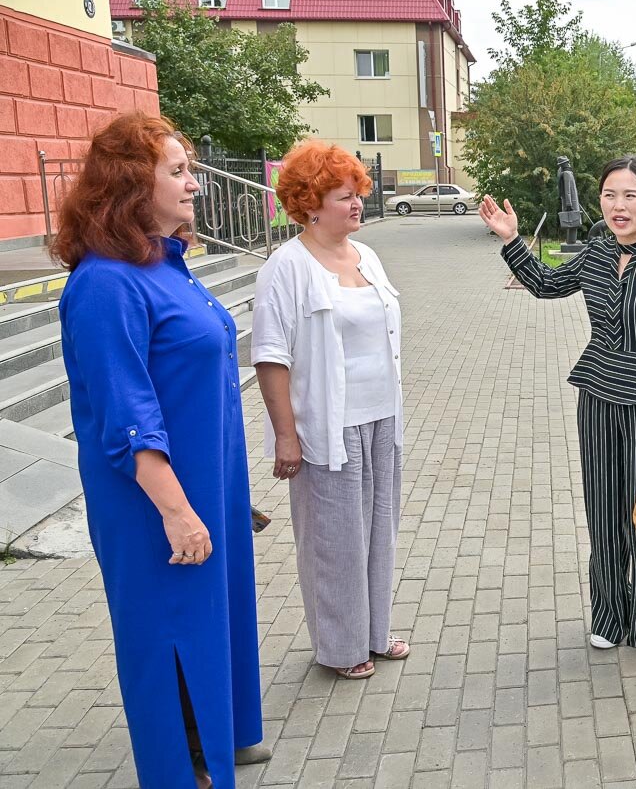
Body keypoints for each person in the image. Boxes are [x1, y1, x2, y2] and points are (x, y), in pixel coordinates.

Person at [53, 112, 266, 788]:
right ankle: (182, 772)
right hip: (152, 501)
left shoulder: (164, 265)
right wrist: (177, 510)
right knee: (169, 632)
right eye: (177, 171)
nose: (194, 183)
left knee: (208, 619)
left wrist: (226, 493)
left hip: (203, 484)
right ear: (129, 185)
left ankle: (212, 742)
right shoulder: (105, 282)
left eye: (190, 168)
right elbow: (126, 415)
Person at [478, 155, 636, 658]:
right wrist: (511, 239)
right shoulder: (598, 253)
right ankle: (609, 613)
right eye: (609, 195)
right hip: (599, 395)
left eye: (630, 196)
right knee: (604, 511)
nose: (618, 206)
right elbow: (544, 284)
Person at [251, 140, 409, 680]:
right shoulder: (286, 267)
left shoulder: (368, 256)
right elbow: (270, 358)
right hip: (327, 427)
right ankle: (340, 649)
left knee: (377, 533)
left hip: (381, 417)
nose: (358, 204)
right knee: (333, 542)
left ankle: (373, 630)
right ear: (310, 204)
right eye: (346, 196)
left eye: (359, 193)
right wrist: (286, 436)